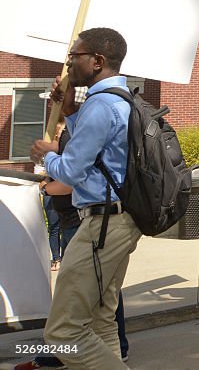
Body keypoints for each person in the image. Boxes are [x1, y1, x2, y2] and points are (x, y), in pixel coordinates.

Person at [28, 28, 140, 370]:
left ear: (97, 61)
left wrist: (46, 155)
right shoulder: (120, 99)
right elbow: (103, 155)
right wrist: (71, 111)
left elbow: (72, 171)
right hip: (121, 220)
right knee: (103, 317)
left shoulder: (101, 104)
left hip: (101, 226)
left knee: (63, 333)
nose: (69, 64)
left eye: (74, 57)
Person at [17, 116, 129, 370]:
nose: (57, 140)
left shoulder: (101, 113)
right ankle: (112, 351)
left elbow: (70, 179)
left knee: (67, 325)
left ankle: (67, 353)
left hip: (87, 223)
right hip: (81, 223)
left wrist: (48, 173)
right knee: (103, 306)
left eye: (60, 137)